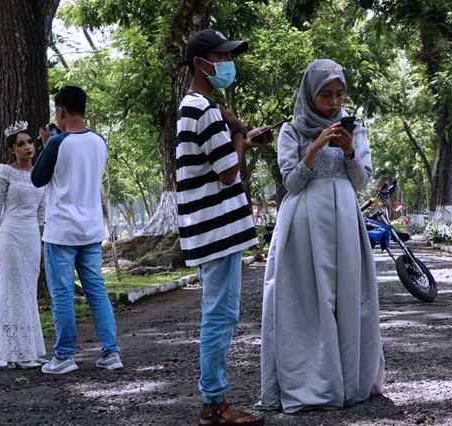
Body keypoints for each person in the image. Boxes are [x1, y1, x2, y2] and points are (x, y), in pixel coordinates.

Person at [257, 58, 384, 413]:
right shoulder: (292, 131)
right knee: (304, 301)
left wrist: (347, 151)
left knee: (346, 297)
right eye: (325, 95)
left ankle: (348, 379)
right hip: (302, 223)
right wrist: (313, 148)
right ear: (310, 94)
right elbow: (291, 183)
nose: (333, 103)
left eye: (339, 94)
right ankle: (311, 380)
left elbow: (360, 182)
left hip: (344, 220)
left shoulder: (354, 130)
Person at [178, 29, 273, 426]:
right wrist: (237, 134)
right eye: (221, 57)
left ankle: (214, 401)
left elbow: (216, 161)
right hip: (217, 231)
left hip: (206, 229)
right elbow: (229, 173)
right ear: (202, 64)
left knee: (217, 314)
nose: (227, 64)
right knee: (219, 316)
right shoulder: (205, 110)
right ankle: (213, 405)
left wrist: (242, 138)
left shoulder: (193, 107)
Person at [31, 86, 123, 374]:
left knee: (62, 294)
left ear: (60, 111)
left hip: (61, 231)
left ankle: (64, 356)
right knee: (96, 291)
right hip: (91, 229)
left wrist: (47, 143)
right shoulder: (99, 141)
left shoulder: (58, 143)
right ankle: (111, 352)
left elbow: (37, 178)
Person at [0, 121, 48, 369]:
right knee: (12, 293)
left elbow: (41, 215)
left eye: (30, 142)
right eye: (21, 144)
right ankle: (14, 352)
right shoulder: (5, 172)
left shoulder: (40, 174)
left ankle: (28, 349)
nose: (27, 147)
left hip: (32, 238)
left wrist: (43, 247)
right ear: (12, 150)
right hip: (9, 237)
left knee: (28, 293)